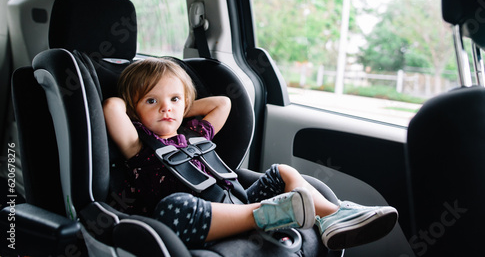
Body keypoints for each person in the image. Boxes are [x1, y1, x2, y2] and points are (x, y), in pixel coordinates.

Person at [103, 57, 398, 251]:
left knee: (282, 171)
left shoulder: (196, 134)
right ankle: (276, 212)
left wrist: (180, 108)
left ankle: (332, 216)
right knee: (172, 207)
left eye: (174, 99)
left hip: (236, 200)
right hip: (194, 218)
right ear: (135, 110)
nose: (165, 107)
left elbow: (221, 103)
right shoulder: (139, 145)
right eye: (152, 101)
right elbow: (112, 107)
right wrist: (138, 108)